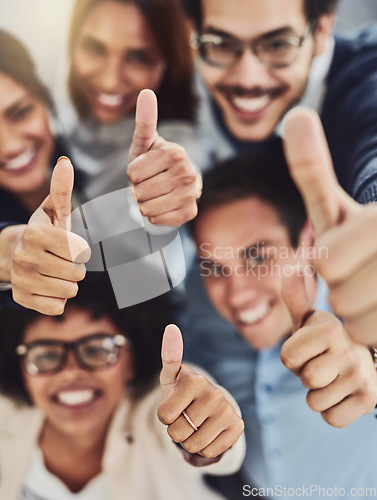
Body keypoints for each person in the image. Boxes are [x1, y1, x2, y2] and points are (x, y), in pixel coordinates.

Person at [183, 147, 377, 498]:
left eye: (258, 256)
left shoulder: (366, 319)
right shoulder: (202, 325)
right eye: (215, 267)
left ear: (309, 240)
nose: (236, 295)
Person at [0, 273, 245, 499]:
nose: (71, 371)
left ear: (132, 359)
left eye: (97, 349)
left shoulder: (155, 410)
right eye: (45, 356)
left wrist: (206, 432)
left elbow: (195, 416)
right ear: (19, 366)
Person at [182, 0, 377, 204]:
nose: (248, 79)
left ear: (321, 30)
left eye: (278, 45)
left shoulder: (367, 79)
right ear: (193, 31)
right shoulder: (179, 79)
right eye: (220, 43)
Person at [55, 0, 204, 207]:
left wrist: (169, 192)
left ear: (170, 64)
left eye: (138, 57)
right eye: (94, 48)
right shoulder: (63, 123)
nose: (110, 81)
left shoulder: (181, 142)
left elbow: (181, 172)